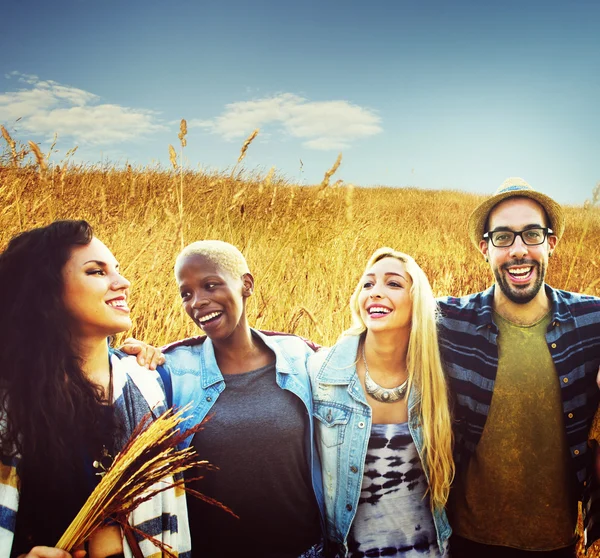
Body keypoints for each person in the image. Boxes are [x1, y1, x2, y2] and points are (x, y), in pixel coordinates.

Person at [0, 221, 191, 558]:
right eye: (96, 272)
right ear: (47, 294)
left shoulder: (150, 385)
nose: (123, 283)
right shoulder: (10, 405)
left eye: (116, 270)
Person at [438, 178, 600, 557]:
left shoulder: (592, 320)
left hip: (555, 542)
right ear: (484, 248)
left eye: (531, 235)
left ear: (551, 243)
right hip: (465, 540)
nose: (519, 250)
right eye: (503, 238)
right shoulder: (448, 321)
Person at [156, 240, 325, 558]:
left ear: (246, 284)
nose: (198, 302)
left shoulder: (301, 358)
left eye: (210, 285)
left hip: (305, 551)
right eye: (186, 294)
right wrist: (134, 356)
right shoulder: (173, 373)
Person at [309, 247, 454, 557]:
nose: (375, 292)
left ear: (417, 301)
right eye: (368, 284)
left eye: (393, 283)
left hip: (427, 551)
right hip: (351, 551)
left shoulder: (437, 379)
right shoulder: (322, 373)